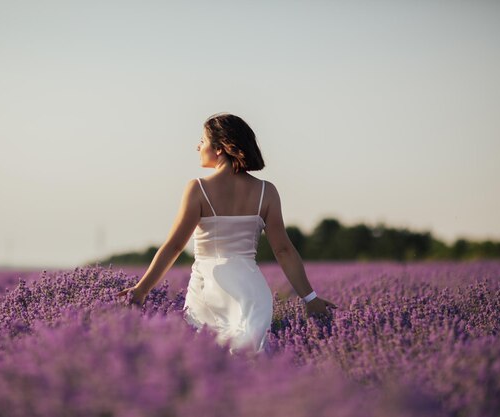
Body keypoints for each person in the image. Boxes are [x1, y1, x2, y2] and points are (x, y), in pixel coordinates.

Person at [116, 113, 337, 355]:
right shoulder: (267, 191)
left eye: (203, 140)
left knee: (207, 359)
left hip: (209, 287)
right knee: (252, 361)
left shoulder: (198, 189)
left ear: (220, 148)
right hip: (252, 291)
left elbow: (174, 246)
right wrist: (310, 299)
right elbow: (284, 251)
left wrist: (142, 289)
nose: (198, 146)